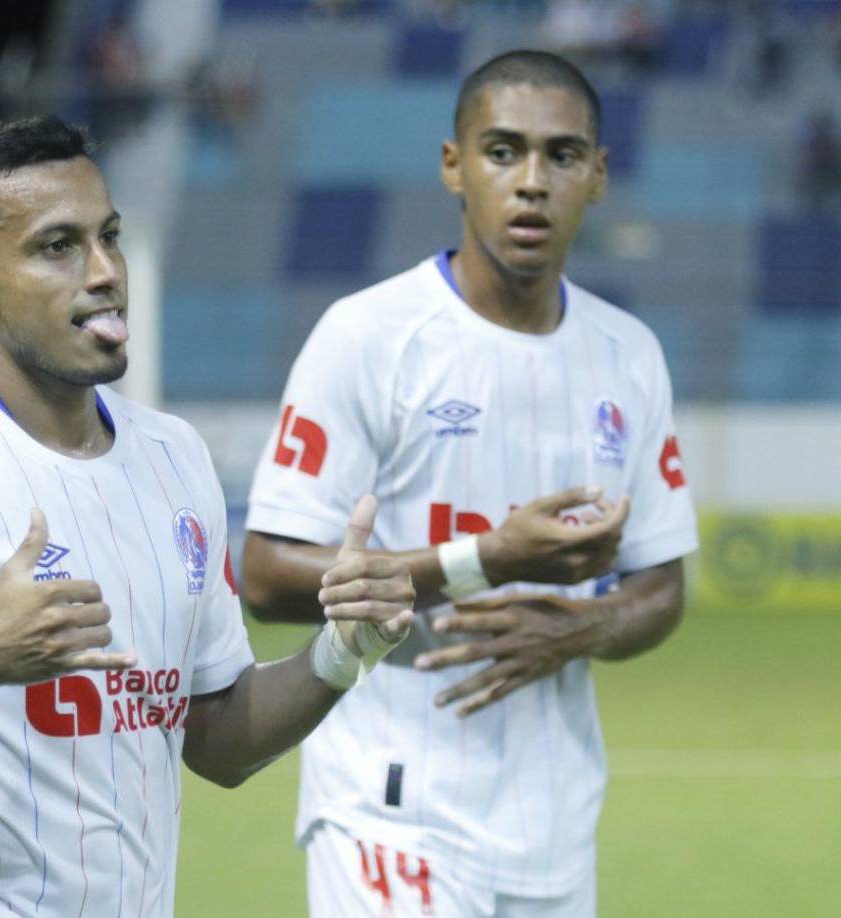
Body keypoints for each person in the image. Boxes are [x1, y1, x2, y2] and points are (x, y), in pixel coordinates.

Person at [0, 116, 417, 917]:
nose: (105, 271)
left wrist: (342, 651)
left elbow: (218, 735)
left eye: (110, 237)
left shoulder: (175, 458)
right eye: (57, 246)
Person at [241, 50, 698, 917]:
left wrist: (585, 627)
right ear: (454, 164)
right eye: (502, 151)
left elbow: (663, 584)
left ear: (598, 176)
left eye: (562, 156)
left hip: (552, 822)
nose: (531, 182)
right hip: (388, 806)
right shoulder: (370, 337)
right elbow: (267, 573)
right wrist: (481, 558)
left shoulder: (627, 355)